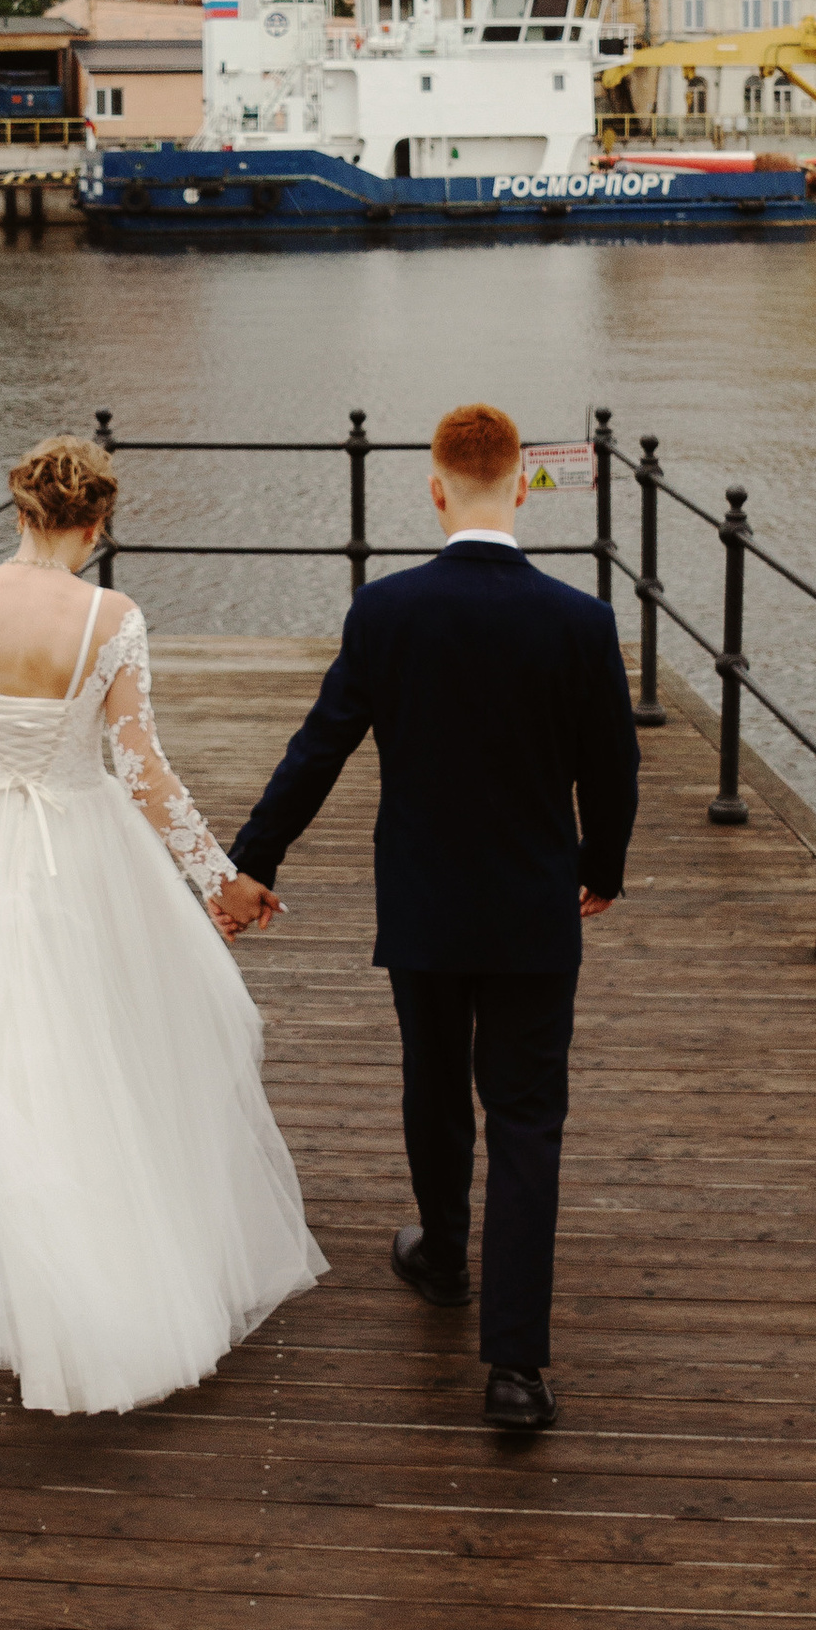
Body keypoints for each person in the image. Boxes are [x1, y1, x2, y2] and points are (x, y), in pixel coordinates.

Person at [0, 431, 325, 1417]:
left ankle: (40, 1304)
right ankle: (108, 1299)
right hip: (85, 854)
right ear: (96, 522)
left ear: (19, 512)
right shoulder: (110, 618)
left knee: (3, 1075)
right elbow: (140, 768)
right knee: (99, 1064)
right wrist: (220, 879)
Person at [221, 399, 640, 1432]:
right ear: (521, 493)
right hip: (535, 906)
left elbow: (317, 748)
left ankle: (444, 1255)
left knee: (433, 1079)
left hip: (423, 902)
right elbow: (614, 769)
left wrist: (251, 862)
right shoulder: (580, 623)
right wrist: (603, 867)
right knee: (529, 1118)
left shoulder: (388, 611)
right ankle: (515, 1370)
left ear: (436, 487)